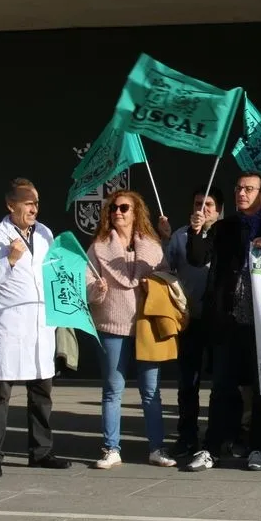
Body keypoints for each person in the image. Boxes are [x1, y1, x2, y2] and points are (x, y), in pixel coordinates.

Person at [185, 171, 261, 473]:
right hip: (227, 321)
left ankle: (258, 449)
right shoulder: (223, 227)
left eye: (249, 189)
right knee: (222, 387)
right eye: (238, 188)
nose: (242, 193)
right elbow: (198, 258)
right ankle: (210, 447)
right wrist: (197, 232)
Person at [0, 178, 71, 479]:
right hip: (10, 325)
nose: (34, 207)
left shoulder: (45, 234)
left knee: (42, 391)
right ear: (10, 204)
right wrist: (9, 261)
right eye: (28, 202)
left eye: (37, 202)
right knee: (0, 394)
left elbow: (56, 273)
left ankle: (40, 452)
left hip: (41, 323)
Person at [86, 190, 175, 469]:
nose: (118, 212)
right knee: (113, 389)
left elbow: (168, 277)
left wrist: (156, 282)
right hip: (111, 326)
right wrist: (96, 289)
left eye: (124, 207)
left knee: (151, 391)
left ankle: (157, 448)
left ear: (136, 212)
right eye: (113, 208)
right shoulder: (98, 246)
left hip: (146, 326)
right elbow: (86, 283)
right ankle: (111, 448)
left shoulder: (152, 246)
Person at [158, 185, 224, 458]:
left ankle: (217, 437)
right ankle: (187, 435)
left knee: (221, 385)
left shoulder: (226, 235)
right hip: (189, 320)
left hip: (219, 320)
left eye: (208, 205)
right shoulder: (180, 236)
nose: (202, 209)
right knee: (188, 383)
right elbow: (166, 269)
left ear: (219, 211)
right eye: (198, 204)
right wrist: (163, 240)